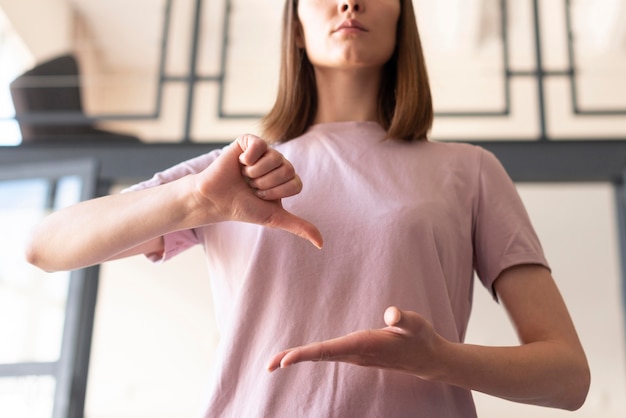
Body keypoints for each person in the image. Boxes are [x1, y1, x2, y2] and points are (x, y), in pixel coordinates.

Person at [26, 0, 590, 416]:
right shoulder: (235, 172)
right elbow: (44, 247)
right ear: (294, 25)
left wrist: (438, 358)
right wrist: (194, 198)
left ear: (402, 19)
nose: (350, 2)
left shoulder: (470, 171)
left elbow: (567, 377)